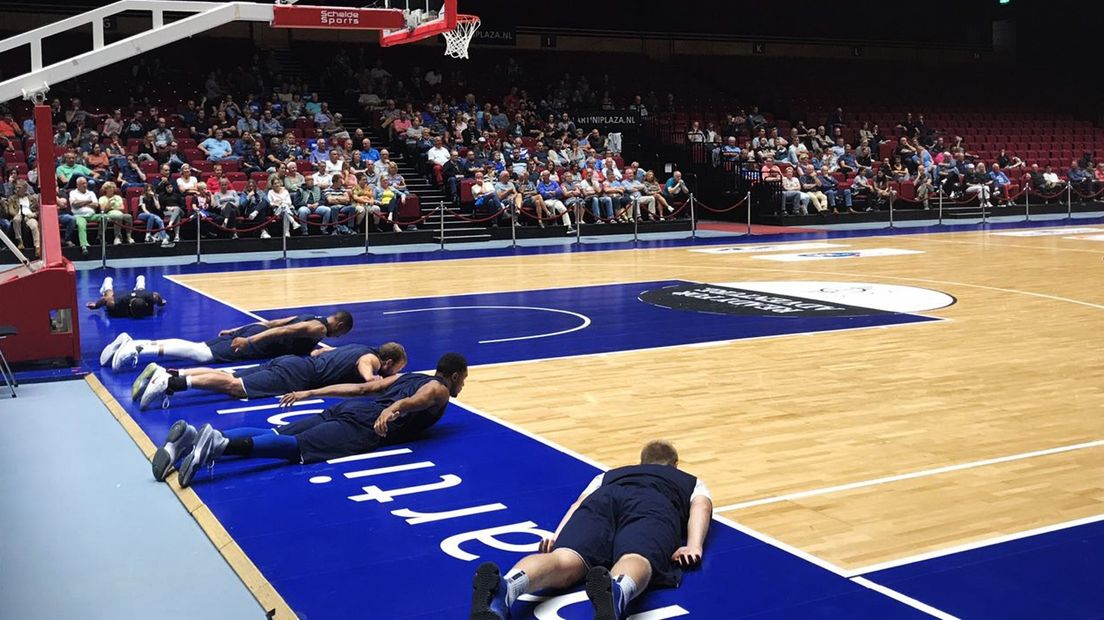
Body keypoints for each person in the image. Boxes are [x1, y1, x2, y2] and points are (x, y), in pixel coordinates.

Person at [470, 440, 711, 620]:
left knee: (564, 558)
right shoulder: (689, 480)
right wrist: (694, 545)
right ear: (675, 465)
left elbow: (579, 503)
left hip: (604, 500)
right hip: (652, 503)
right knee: (636, 556)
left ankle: (507, 587)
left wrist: (558, 536)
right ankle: (617, 590)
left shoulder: (608, 475)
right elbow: (701, 505)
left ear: (641, 462)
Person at [154, 352, 466, 487]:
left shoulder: (407, 375)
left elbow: (361, 388)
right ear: (453, 376)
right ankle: (219, 446)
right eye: (463, 379)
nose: (461, 385)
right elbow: (420, 399)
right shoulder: (438, 388)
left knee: (275, 430)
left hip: (349, 411)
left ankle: (192, 439)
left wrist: (311, 392)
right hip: (363, 425)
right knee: (295, 447)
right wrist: (393, 409)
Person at [134, 341, 404, 411]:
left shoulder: (356, 347)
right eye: (397, 369)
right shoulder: (370, 359)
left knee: (229, 374)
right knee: (234, 386)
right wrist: (374, 381)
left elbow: (318, 353)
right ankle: (172, 383)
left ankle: (169, 371)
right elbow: (365, 371)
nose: (397, 373)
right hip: (296, 376)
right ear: (388, 361)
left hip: (292, 363)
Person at [102, 310, 353, 372]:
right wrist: (249, 340)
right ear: (339, 325)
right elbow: (280, 333)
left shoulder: (314, 318)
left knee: (199, 347)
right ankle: (137, 349)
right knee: (201, 354)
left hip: (253, 331)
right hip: (258, 341)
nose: (339, 337)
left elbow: (275, 322)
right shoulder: (317, 329)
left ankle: (135, 341)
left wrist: (238, 329)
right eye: (342, 333)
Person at [87, 275, 166, 324]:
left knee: (141, 290)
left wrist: (161, 302)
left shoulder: (149, 298)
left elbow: (156, 296)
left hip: (140, 294)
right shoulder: (115, 303)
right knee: (109, 293)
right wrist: (96, 305)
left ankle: (140, 279)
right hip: (121, 296)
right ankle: (107, 282)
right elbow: (105, 299)